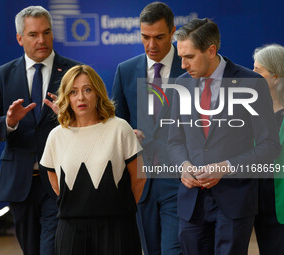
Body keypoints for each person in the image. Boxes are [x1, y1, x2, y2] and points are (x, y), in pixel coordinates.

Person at [167, 18, 281, 255]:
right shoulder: (181, 85)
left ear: (211, 50)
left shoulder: (252, 82)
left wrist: (226, 167)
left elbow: (269, 146)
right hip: (192, 203)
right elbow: (174, 141)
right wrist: (183, 166)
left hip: (235, 201)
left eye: (189, 57)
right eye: (180, 57)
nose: (183, 64)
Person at [0, 6, 80, 255]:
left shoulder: (74, 73)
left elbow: (92, 123)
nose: (42, 40)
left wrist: (68, 119)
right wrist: (9, 122)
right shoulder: (2, 75)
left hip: (59, 181)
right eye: (33, 34)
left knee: (51, 248)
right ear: (20, 38)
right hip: (20, 183)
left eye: (46, 32)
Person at [39, 64, 146, 255]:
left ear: (98, 93)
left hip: (118, 227)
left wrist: (120, 209)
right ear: (67, 97)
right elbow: (55, 183)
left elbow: (139, 178)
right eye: (73, 92)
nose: (81, 97)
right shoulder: (56, 135)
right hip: (71, 230)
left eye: (87, 90)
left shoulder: (120, 128)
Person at [112, 2, 184, 254]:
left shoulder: (189, 67)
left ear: (173, 32)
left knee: (172, 250)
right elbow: (116, 123)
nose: (151, 45)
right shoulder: (125, 70)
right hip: (139, 179)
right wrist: (127, 134)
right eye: (145, 37)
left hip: (178, 180)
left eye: (159, 37)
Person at [253, 44, 284, 255]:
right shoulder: (247, 113)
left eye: (258, 71)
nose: (251, 75)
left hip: (282, 206)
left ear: (276, 77)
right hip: (258, 206)